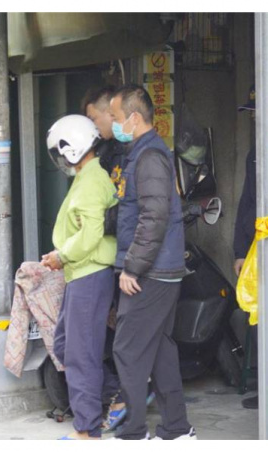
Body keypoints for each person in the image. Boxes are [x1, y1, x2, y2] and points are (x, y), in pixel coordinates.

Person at [108, 84, 195, 440]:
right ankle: (176, 429)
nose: (113, 125)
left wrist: (133, 267)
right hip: (161, 268)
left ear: (133, 118)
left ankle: (133, 433)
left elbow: (154, 216)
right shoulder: (145, 155)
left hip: (151, 271)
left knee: (127, 348)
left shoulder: (149, 158)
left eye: (115, 117)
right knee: (159, 349)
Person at [83, 85, 157, 432]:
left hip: (134, 261)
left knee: (127, 340)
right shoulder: (113, 152)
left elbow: (148, 214)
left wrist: (133, 266)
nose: (101, 124)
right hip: (122, 257)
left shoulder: (143, 154)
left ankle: (132, 412)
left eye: (102, 117)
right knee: (132, 337)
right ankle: (168, 422)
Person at [43, 115, 119, 440]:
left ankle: (86, 430)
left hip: (89, 272)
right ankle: (118, 392)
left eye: (60, 154)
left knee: (81, 354)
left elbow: (90, 235)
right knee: (64, 346)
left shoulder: (90, 181)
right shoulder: (86, 176)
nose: (60, 161)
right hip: (81, 273)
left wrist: (61, 255)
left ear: (72, 150)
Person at [233, 84, 258, 411]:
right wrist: (240, 250)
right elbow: (247, 202)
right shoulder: (257, 152)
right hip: (257, 249)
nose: (254, 120)